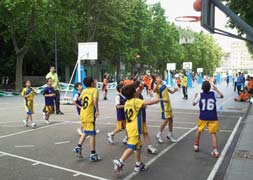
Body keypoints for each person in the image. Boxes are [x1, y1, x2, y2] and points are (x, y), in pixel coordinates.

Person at [113, 84, 165, 174]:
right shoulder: (135, 101)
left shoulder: (127, 102)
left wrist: (138, 88)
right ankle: (120, 161)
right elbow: (149, 102)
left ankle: (138, 164)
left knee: (138, 146)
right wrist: (161, 99)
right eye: (135, 90)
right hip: (134, 128)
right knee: (131, 147)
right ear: (133, 93)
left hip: (130, 127)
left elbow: (136, 94)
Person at [192, 81, 223, 158]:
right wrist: (216, 89)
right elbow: (222, 96)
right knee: (213, 133)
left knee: (199, 130)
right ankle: (215, 151)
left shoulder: (200, 95)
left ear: (202, 88)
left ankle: (196, 145)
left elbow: (193, 103)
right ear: (210, 88)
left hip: (203, 116)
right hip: (213, 116)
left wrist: (195, 97)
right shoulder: (213, 93)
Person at [73, 76, 100, 161]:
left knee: (85, 131)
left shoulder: (84, 90)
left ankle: (78, 147)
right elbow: (95, 100)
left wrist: (82, 93)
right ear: (92, 83)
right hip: (89, 114)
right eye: (94, 81)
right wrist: (97, 110)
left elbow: (79, 98)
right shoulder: (94, 90)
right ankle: (93, 154)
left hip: (83, 113)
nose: (96, 82)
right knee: (92, 134)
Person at [154, 75, 178, 144]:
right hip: (164, 106)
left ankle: (170, 134)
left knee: (170, 119)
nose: (159, 78)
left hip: (168, 106)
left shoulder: (164, 86)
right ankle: (159, 134)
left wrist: (175, 90)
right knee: (166, 119)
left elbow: (171, 92)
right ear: (155, 81)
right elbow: (154, 90)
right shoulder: (158, 87)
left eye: (159, 77)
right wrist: (158, 83)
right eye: (157, 78)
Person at [135, 81, 158, 154]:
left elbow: (145, 104)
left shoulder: (140, 96)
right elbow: (144, 104)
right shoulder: (133, 97)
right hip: (136, 119)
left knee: (145, 132)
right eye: (140, 87)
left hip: (142, 116)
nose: (141, 89)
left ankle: (149, 147)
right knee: (136, 135)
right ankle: (133, 147)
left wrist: (151, 97)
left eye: (142, 87)